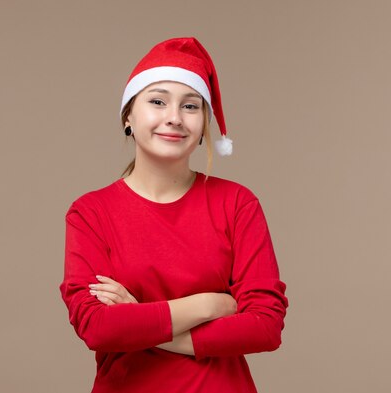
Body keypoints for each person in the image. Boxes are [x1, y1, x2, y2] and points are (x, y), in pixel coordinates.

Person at [59, 37, 289, 393]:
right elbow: (97, 327)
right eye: (157, 101)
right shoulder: (90, 213)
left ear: (203, 125)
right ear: (128, 117)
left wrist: (140, 319)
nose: (174, 118)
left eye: (191, 106)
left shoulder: (238, 204)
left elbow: (265, 326)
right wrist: (210, 304)